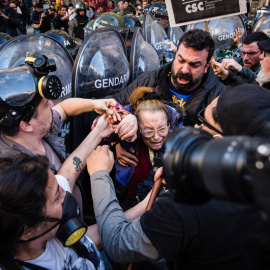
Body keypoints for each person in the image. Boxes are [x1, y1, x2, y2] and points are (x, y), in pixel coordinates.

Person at [0, 62, 138, 223]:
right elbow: (81, 239)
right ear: (26, 125)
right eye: (46, 105)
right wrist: (137, 213)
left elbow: (64, 108)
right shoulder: (18, 175)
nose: (52, 104)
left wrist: (95, 104)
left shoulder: (36, 128)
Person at [115, 29, 224, 166]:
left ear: (207, 66)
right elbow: (112, 109)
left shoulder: (218, 96)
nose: (184, 70)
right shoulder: (148, 80)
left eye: (194, 65)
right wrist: (119, 142)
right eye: (181, 60)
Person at [0, 155, 106, 269]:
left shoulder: (45, 191)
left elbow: (69, 171)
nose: (64, 192)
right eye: (57, 197)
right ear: (28, 231)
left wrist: (98, 136)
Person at [105, 87, 180, 208]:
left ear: (169, 124)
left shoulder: (179, 144)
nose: (156, 137)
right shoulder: (128, 144)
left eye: (162, 129)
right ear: (138, 129)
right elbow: (98, 125)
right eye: (148, 131)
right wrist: (116, 142)